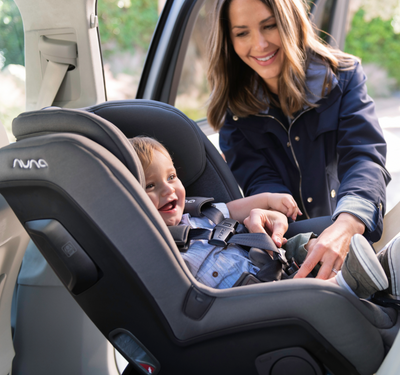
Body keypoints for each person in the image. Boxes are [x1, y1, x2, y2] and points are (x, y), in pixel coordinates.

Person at [206, 0, 391, 280]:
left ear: (290, 22)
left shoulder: (344, 77)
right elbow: (259, 179)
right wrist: (276, 216)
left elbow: (364, 158)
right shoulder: (233, 111)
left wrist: (347, 225)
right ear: (229, 41)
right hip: (286, 244)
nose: (259, 44)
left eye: (269, 26)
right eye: (242, 33)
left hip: (343, 220)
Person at [128, 136, 399, 301]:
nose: (168, 189)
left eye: (172, 177)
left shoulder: (199, 214)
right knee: (317, 291)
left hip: (271, 264)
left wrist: (269, 199)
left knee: (305, 243)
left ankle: (378, 268)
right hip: (248, 298)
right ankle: (354, 283)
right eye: (150, 186)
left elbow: (236, 208)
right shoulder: (155, 248)